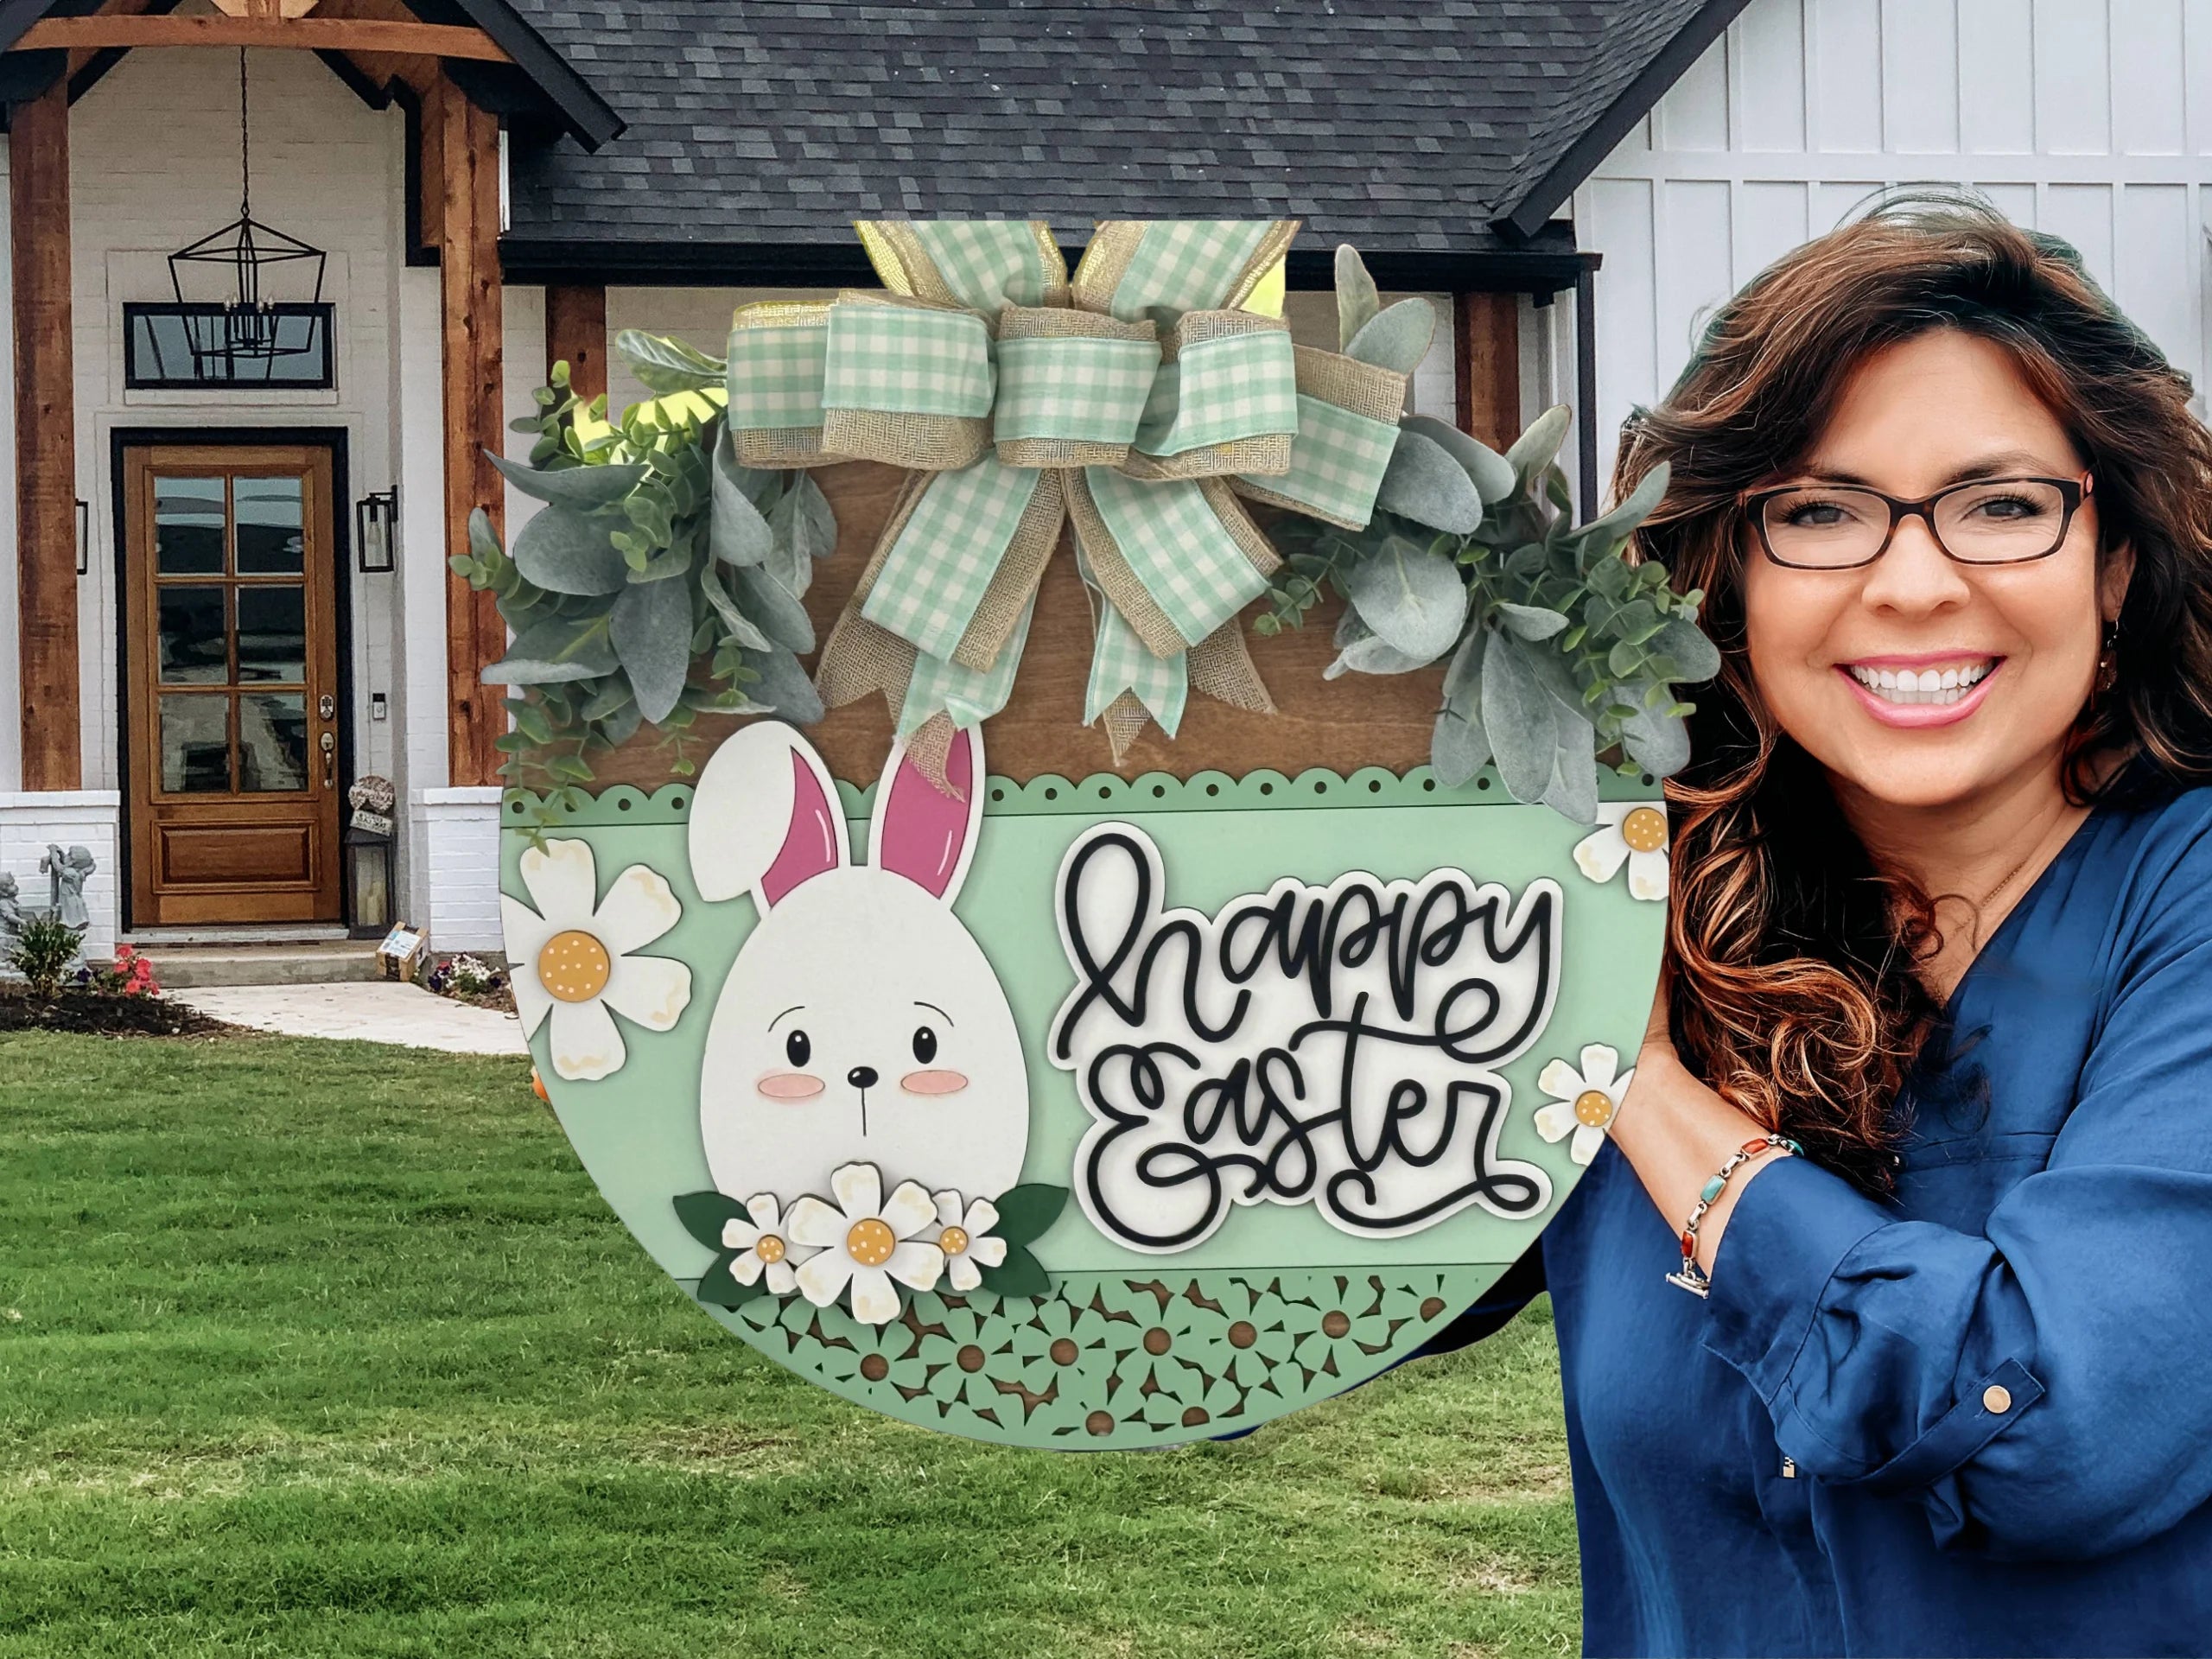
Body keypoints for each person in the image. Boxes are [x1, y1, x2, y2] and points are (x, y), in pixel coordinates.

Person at [1428, 196, 2212, 1656]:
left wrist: (1637, 1083)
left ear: (2113, 565)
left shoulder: (2187, 906)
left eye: (2002, 504)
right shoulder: (1639, 897)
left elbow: (2050, 1430)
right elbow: (1291, 1258)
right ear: (1728, 578)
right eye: (1821, 511)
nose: (1914, 582)